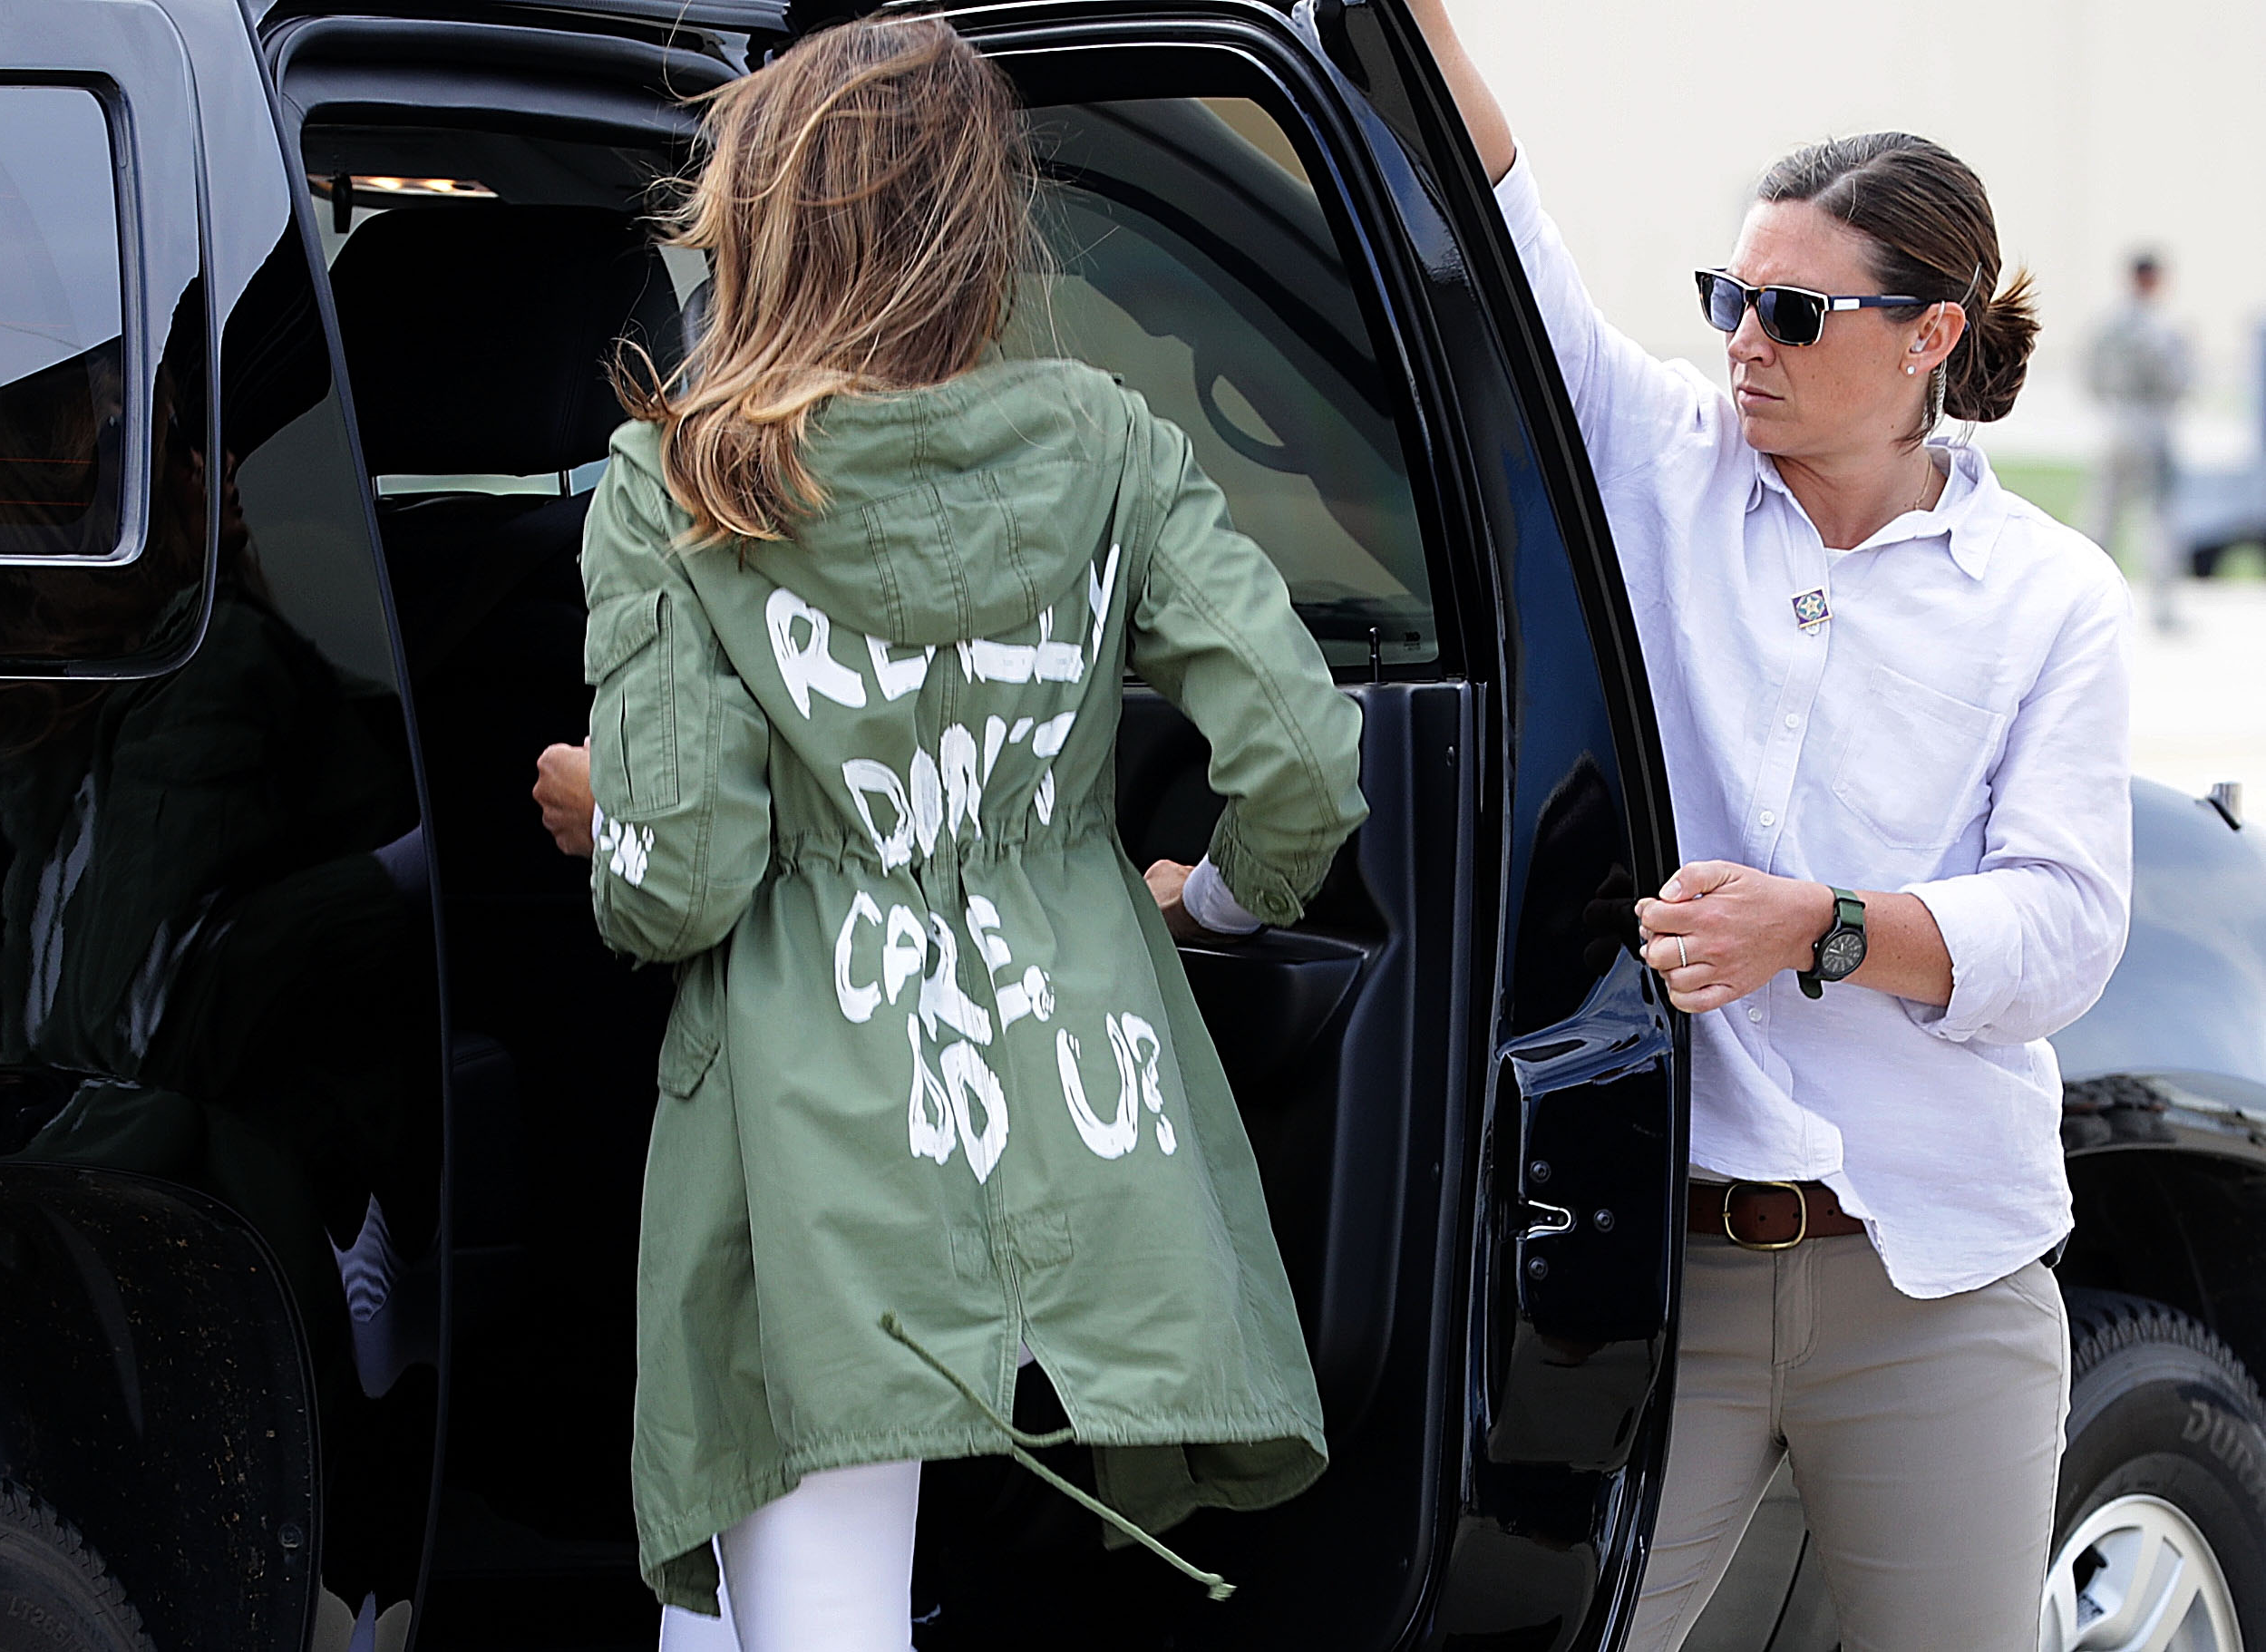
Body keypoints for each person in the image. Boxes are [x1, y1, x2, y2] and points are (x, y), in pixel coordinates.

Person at [527, 16, 1367, 1649]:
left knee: (786, 1602)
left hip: (805, 1125)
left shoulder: (679, 483)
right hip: (1075, 1098)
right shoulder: (1107, 441)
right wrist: (1216, 910)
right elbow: (1308, 770)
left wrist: (601, 814)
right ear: (977, 221)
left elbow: (680, 886)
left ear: (764, 223)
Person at [1407, 6, 2132, 1648]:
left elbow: (2065, 928)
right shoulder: (1663, 462)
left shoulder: (2044, 601)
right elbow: (1496, 221)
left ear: (1927, 334)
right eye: (1728, 297)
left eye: (1792, 311)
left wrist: (1821, 925)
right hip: (1675, 1271)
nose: (1745, 337)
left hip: (1935, 1277)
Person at [2084, 252, 2194, 622]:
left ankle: (2090, 603)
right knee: (2160, 516)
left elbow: (2092, 376)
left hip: (2117, 420)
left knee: (2104, 513)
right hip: (2151, 422)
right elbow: (2179, 381)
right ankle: (2163, 609)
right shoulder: (2163, 329)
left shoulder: (2109, 325)